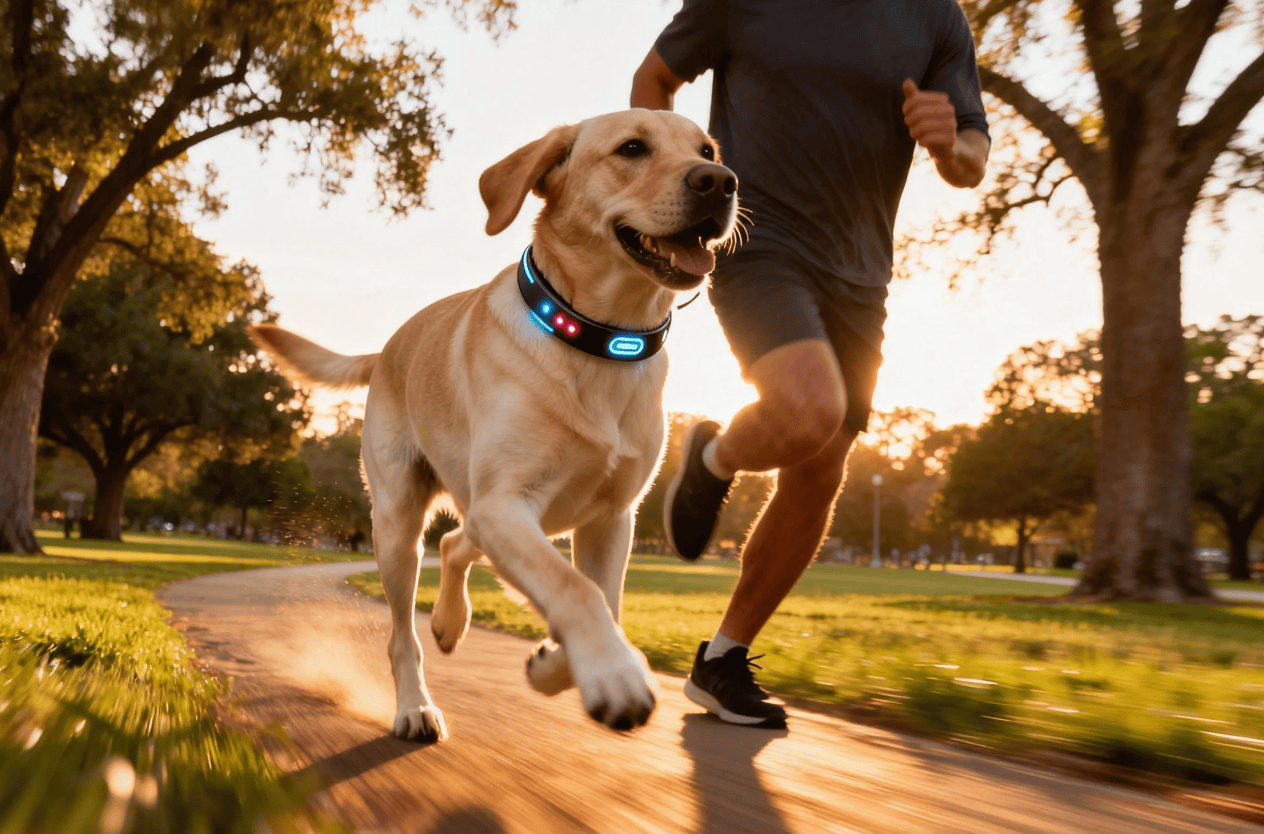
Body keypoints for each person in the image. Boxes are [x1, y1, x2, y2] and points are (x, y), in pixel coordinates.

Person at [631, 0, 990, 728]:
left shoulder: (936, 18)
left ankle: (723, 659)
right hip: (757, 242)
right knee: (808, 409)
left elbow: (973, 160)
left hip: (862, 274)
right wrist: (667, 190)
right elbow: (655, 77)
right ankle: (714, 456)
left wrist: (951, 145)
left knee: (821, 469)